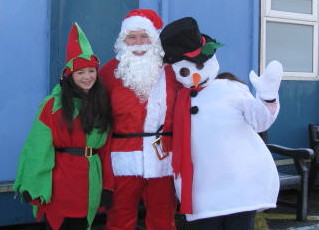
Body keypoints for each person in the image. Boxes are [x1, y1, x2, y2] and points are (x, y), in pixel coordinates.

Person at [160, 17, 283, 230]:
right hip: (202, 190)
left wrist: (268, 96)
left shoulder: (230, 88)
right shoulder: (176, 99)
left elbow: (260, 121)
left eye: (199, 65)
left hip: (238, 186)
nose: (196, 74)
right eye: (185, 71)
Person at [13, 23, 112, 230]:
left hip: (90, 183)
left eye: (91, 71)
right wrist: (34, 183)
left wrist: (108, 186)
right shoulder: (53, 105)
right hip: (62, 182)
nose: (87, 77)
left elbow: (106, 149)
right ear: (69, 77)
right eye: (80, 73)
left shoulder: (101, 103)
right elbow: (38, 147)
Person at [99, 9, 179, 230]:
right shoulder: (108, 72)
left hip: (162, 155)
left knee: (163, 217)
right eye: (131, 37)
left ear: (154, 39)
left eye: (144, 36)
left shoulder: (172, 72)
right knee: (119, 217)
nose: (138, 43)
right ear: (123, 41)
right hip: (123, 156)